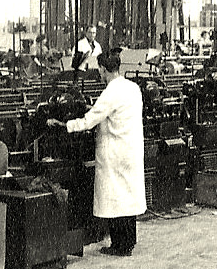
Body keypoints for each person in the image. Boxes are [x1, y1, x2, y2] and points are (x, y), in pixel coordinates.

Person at [46, 50, 145, 256]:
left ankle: (119, 246)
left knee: (117, 199)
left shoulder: (110, 92)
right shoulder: (132, 87)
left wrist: (65, 125)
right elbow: (115, 112)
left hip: (115, 154)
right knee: (127, 198)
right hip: (131, 150)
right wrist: (94, 108)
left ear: (103, 69)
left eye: (99, 69)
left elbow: (89, 121)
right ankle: (129, 242)